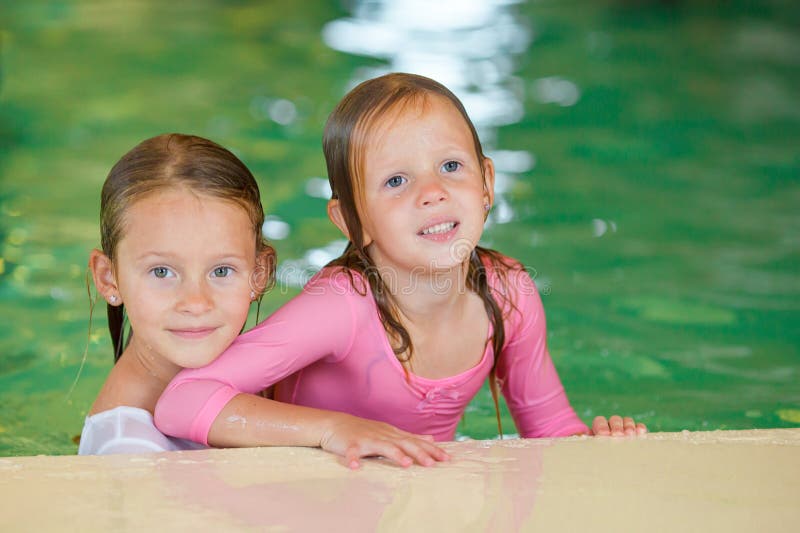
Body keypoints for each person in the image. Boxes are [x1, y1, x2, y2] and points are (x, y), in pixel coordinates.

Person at [154, 74, 646, 468]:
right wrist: (331, 429)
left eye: (451, 167)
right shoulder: (341, 306)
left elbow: (550, 428)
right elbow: (181, 401)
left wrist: (597, 442)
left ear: (487, 184)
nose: (432, 192)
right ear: (352, 220)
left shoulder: (509, 292)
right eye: (396, 180)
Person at [78, 133, 277, 454]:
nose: (196, 303)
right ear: (109, 278)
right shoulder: (128, 449)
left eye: (221, 271)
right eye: (162, 272)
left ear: (259, 274)